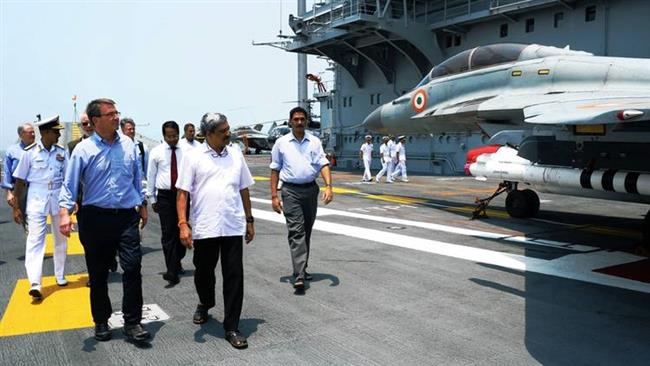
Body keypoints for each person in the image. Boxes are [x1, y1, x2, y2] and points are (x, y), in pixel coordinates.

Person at [59, 98, 150, 343]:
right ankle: (101, 320)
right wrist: (65, 214)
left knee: (133, 268)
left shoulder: (129, 146)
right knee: (98, 273)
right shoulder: (83, 150)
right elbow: (69, 185)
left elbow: (136, 177)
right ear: (96, 120)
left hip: (126, 218)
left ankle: (132, 322)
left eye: (117, 112)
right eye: (110, 114)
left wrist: (142, 204)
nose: (116, 117)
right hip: (94, 218)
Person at [176, 112, 254, 349]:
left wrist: (249, 220)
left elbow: (244, 188)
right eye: (223, 131)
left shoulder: (235, 154)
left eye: (228, 129)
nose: (228, 134)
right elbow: (183, 193)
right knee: (203, 272)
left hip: (231, 225)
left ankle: (231, 326)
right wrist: (183, 224)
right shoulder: (193, 156)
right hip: (205, 227)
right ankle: (205, 302)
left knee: (234, 276)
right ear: (208, 134)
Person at [269, 106, 333, 291]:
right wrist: (274, 196)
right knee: (297, 231)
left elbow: (323, 163)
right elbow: (275, 169)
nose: (298, 122)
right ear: (290, 121)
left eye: (302, 119)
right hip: (290, 191)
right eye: (295, 119)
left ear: (306, 121)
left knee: (306, 231)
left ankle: (302, 268)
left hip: (310, 190)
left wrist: (329, 186)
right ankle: (299, 275)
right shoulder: (281, 143)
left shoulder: (314, 141)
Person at [12, 116, 68, 299]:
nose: (59, 134)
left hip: (58, 197)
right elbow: (19, 181)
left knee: (61, 239)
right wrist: (16, 207)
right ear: (45, 133)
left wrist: (70, 201)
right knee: (36, 241)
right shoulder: (29, 153)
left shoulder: (61, 151)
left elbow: (68, 179)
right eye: (56, 131)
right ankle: (35, 283)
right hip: (37, 198)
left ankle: (60, 275)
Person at [147, 121, 186, 287]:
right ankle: (171, 271)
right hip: (164, 196)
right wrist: (152, 198)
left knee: (181, 231)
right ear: (163, 136)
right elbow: (151, 176)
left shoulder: (187, 151)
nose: (172, 139)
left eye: (175, 136)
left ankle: (177, 260)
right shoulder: (156, 152)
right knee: (168, 233)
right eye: (169, 136)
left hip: (182, 195)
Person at [2, 123, 35, 208]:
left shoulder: (39, 150)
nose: (33, 134)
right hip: (19, 189)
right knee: (22, 217)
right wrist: (9, 193)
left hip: (37, 188)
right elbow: (7, 173)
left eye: (33, 132)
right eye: (30, 132)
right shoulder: (12, 151)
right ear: (21, 134)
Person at [120, 117, 149, 185]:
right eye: (129, 129)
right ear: (123, 130)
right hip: (124, 185)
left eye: (133, 129)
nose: (132, 131)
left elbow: (147, 170)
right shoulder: (118, 147)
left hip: (140, 186)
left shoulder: (142, 147)